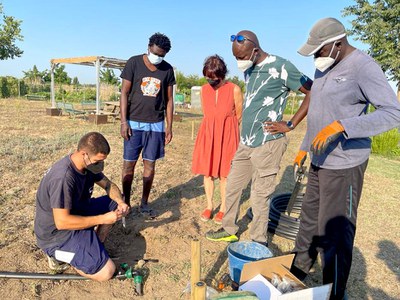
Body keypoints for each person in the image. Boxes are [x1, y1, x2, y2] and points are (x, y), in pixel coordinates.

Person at [289, 18, 400, 300]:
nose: (315, 57)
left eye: (319, 50)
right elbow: (318, 109)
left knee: (335, 233)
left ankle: (334, 292)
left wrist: (344, 126)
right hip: (319, 159)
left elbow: (392, 112)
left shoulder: (364, 67)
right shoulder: (323, 64)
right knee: (309, 223)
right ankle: (295, 276)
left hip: (345, 164)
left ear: (338, 44)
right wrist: (304, 145)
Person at [206, 31, 312, 245]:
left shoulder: (282, 67)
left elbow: (312, 91)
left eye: (242, 58)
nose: (239, 62)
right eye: (236, 58)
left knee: (259, 195)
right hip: (246, 143)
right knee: (234, 186)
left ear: (255, 51)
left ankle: (258, 242)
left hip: (268, 144)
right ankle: (229, 229)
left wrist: (290, 124)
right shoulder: (251, 69)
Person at [34, 132, 129, 282]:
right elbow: (62, 222)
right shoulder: (63, 178)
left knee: (116, 202)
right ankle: (57, 256)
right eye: (97, 161)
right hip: (56, 235)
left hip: (78, 210)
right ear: (84, 154)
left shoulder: (88, 166)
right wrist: (103, 219)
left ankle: (95, 245)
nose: (100, 165)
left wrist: (120, 202)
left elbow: (109, 185)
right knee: (106, 272)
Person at [120, 32, 176, 217]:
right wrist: (123, 122)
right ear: (149, 47)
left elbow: (169, 100)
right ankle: (126, 202)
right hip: (133, 124)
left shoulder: (167, 70)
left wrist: (169, 126)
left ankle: (144, 202)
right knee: (129, 165)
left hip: (156, 126)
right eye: (156, 53)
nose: (158, 57)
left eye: (162, 55)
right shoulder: (133, 63)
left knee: (150, 165)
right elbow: (124, 94)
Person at [192, 55, 243, 224]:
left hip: (227, 135)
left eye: (214, 78)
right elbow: (206, 113)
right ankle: (209, 206)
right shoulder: (203, 89)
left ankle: (223, 209)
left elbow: (239, 116)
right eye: (208, 78)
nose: (211, 81)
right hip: (208, 134)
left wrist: (226, 131)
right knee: (207, 172)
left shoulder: (234, 89)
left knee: (224, 175)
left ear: (222, 75)